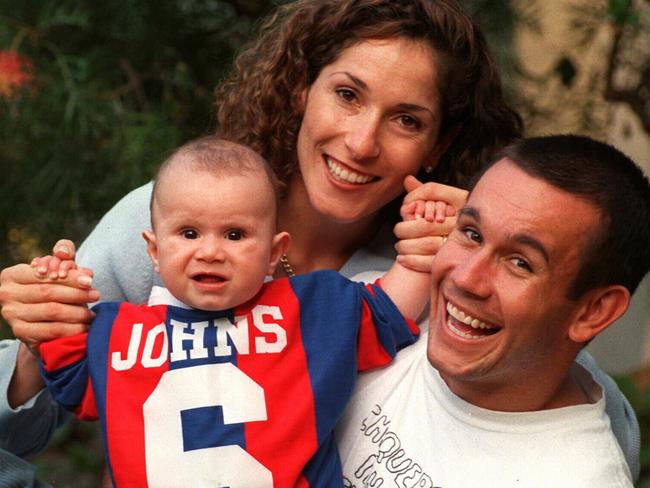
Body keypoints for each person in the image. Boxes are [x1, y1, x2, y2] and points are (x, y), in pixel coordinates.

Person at [0, 0, 638, 482]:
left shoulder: (429, 271)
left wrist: (482, 235)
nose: (362, 143)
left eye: (407, 120)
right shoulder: (178, 219)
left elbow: (589, 416)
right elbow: (29, 422)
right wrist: (35, 345)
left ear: (437, 146)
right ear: (302, 90)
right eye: (347, 95)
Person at [36, 135, 440, 486]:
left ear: (274, 253)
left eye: (235, 234)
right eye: (189, 233)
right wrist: (54, 292)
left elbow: (389, 310)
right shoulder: (116, 329)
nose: (210, 252)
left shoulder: (311, 310)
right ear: (154, 251)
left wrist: (426, 242)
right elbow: (71, 381)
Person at [337, 134, 650, 487]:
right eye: (471, 233)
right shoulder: (376, 314)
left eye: (519, 262)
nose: (466, 278)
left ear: (593, 312)